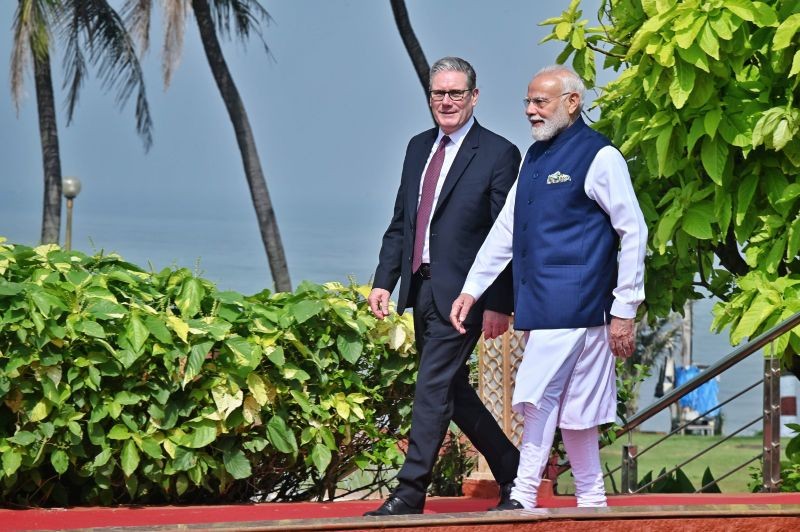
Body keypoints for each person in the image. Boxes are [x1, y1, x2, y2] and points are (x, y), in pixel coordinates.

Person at [450, 65, 647, 510]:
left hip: (581, 305)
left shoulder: (600, 156)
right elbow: (507, 228)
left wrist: (625, 308)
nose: (530, 110)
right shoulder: (535, 157)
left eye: (540, 101)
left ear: (572, 102)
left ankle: (522, 495)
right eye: (528, 102)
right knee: (576, 411)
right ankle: (592, 500)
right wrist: (472, 288)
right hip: (547, 306)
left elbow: (633, 230)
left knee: (539, 398)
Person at [364, 56, 521, 516]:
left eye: (456, 93)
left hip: (466, 297)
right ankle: (513, 469)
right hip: (422, 289)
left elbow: (508, 237)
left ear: (474, 96)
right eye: (439, 93)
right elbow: (402, 222)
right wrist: (384, 281)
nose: (446, 101)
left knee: (431, 388)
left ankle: (410, 492)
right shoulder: (418, 148)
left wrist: (499, 303)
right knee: (451, 390)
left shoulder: (499, 153)